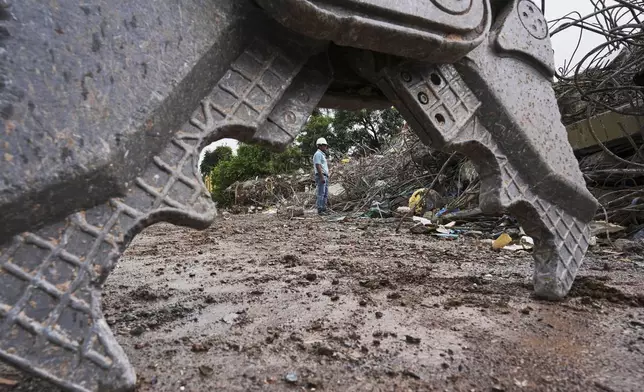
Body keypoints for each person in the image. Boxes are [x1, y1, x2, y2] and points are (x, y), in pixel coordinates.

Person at [313, 137, 329, 215]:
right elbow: (318, 165)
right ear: (320, 146)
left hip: (324, 176)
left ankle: (323, 208)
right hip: (321, 176)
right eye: (324, 145)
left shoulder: (322, 154)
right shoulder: (318, 154)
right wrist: (322, 177)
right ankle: (320, 210)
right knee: (321, 193)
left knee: (325, 193)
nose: (326, 147)